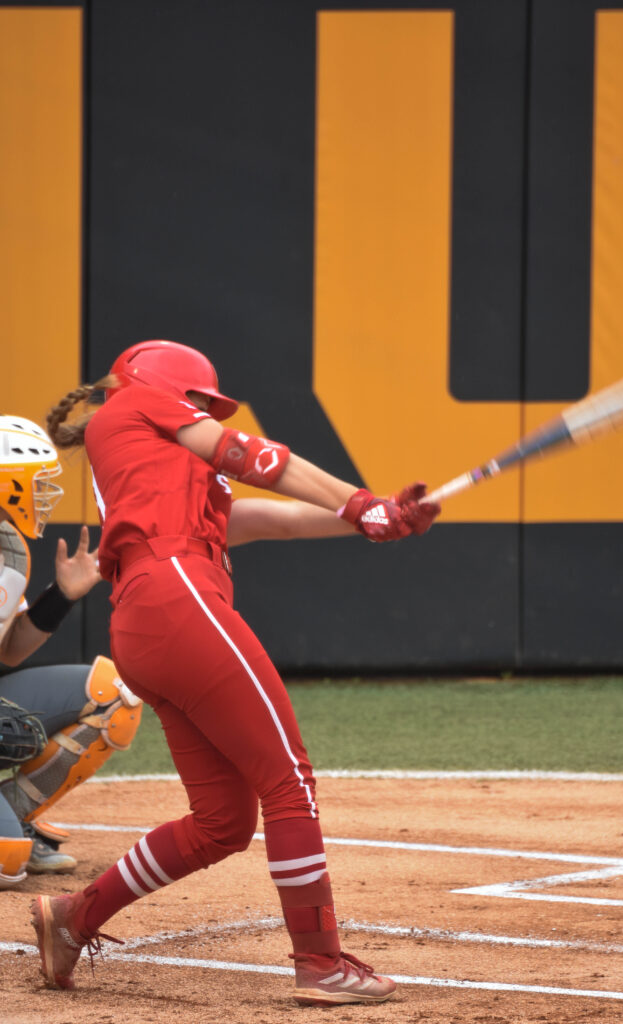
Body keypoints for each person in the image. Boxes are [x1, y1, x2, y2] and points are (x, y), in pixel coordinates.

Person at [32, 339, 440, 1006]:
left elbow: (267, 519)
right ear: (161, 387)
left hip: (150, 617)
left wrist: (374, 522)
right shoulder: (134, 407)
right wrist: (358, 501)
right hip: (178, 597)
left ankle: (74, 917)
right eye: (197, 402)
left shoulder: (158, 467)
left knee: (221, 822)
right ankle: (320, 963)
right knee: (289, 780)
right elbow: (253, 458)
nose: (202, 414)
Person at [0, 415, 142, 886]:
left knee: (115, 696)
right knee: (6, 864)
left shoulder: (10, 550)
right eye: (36, 484)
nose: (46, 496)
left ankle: (17, 815)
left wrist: (61, 595)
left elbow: (10, 653)